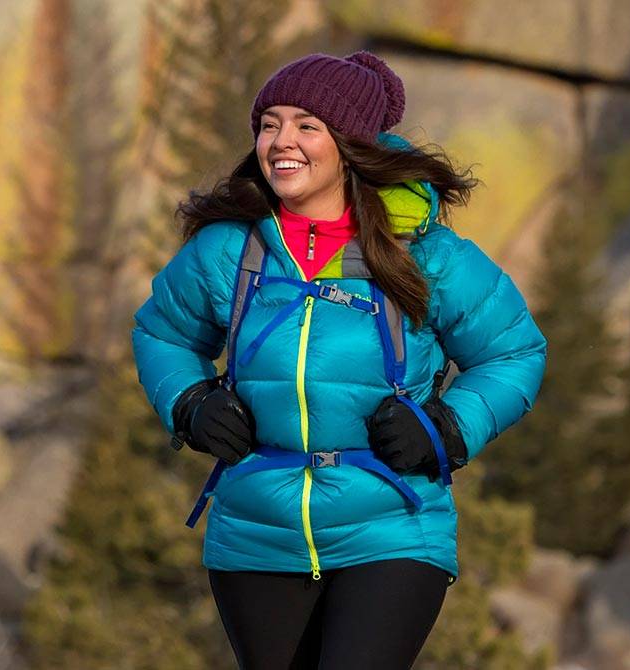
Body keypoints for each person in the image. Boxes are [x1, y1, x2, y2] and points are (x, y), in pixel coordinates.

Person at [130, 51, 547, 668]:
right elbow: (160, 333)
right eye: (269, 123)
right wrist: (190, 403)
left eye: (306, 125)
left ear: (350, 145)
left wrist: (449, 426)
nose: (281, 142)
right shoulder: (229, 249)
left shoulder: (423, 253)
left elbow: (514, 351)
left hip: (392, 525)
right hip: (255, 531)